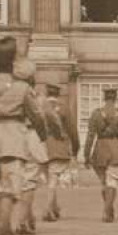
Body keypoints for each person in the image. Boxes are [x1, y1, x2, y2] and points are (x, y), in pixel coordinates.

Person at [0, 37, 47, 235]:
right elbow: (36, 115)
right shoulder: (22, 88)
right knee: (9, 186)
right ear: (12, 61)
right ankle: (3, 229)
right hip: (14, 136)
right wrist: (42, 135)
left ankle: (1, 227)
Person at [12, 59, 54, 235]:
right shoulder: (34, 95)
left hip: (11, 135)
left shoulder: (8, 90)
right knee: (29, 181)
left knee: (17, 180)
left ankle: (28, 218)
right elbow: (41, 118)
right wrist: (43, 136)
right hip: (30, 135)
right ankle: (21, 222)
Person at [84, 88, 118, 222]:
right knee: (111, 182)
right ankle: (107, 211)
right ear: (115, 99)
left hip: (100, 150)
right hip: (116, 150)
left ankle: (108, 209)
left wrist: (86, 155)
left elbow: (90, 136)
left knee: (104, 183)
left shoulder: (95, 114)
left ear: (104, 98)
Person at [42, 82, 80, 221]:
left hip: (40, 146)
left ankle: (54, 207)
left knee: (49, 179)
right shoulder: (63, 108)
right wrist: (75, 149)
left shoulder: (40, 106)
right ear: (58, 94)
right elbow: (72, 131)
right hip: (58, 146)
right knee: (53, 180)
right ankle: (48, 210)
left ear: (47, 93)